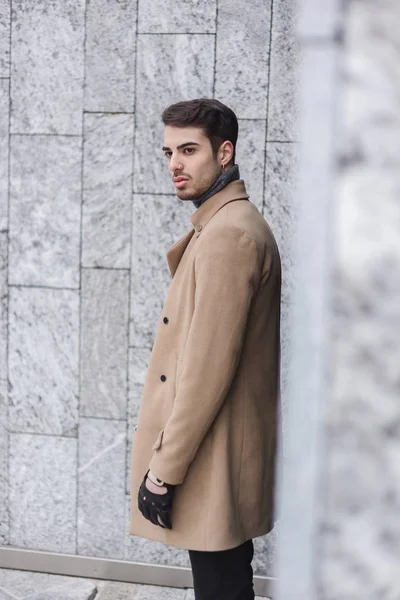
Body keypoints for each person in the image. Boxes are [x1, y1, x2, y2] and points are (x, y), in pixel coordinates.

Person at [129, 98, 281, 600]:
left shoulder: (228, 235)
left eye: (189, 150)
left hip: (211, 456)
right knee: (226, 583)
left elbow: (205, 371)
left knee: (221, 589)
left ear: (225, 152)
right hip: (220, 452)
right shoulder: (225, 226)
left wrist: (162, 473)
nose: (175, 164)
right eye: (168, 151)